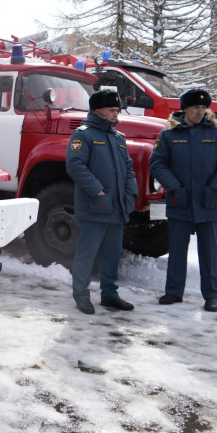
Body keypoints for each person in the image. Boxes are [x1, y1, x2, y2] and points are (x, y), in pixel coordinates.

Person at [149, 89, 217, 312]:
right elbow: (157, 163)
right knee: (177, 249)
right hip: (181, 200)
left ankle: (212, 295)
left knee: (209, 251)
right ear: (185, 109)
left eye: (203, 108)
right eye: (195, 108)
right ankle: (174, 291)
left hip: (209, 201)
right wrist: (174, 187)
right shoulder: (168, 134)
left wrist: (216, 187)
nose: (200, 112)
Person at [65, 89, 138, 314]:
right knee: (87, 254)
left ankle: (110, 294)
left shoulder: (119, 138)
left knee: (112, 255)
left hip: (116, 208)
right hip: (95, 207)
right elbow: (75, 166)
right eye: (112, 110)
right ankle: (81, 295)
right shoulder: (83, 135)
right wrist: (98, 192)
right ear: (98, 110)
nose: (117, 114)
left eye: (118, 110)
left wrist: (130, 194)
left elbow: (128, 168)